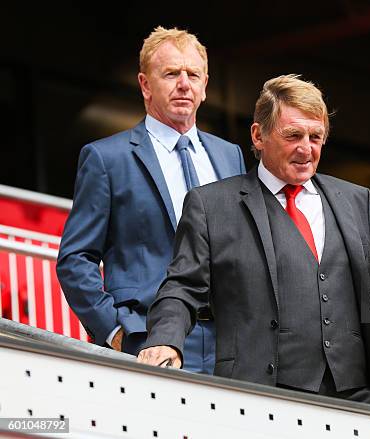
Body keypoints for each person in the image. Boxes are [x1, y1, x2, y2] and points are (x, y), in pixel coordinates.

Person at [137, 74, 370, 403]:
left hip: (356, 396)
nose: (306, 148)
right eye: (293, 135)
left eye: (316, 137)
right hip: (257, 394)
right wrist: (165, 340)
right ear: (258, 136)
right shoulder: (212, 205)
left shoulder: (356, 201)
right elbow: (182, 288)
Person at [56, 26, 246, 373]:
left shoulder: (229, 155)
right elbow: (75, 258)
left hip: (227, 342)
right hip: (145, 337)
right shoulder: (106, 158)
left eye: (193, 74)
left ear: (205, 85)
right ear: (145, 84)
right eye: (171, 73)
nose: (184, 84)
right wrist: (114, 332)